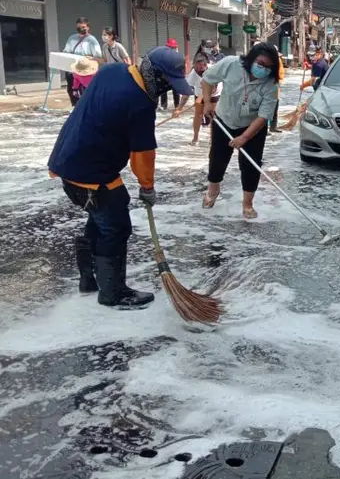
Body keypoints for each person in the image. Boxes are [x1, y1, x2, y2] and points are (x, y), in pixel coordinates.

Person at [47, 47, 194, 309]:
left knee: (100, 220)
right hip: (91, 174)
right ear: (155, 75)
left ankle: (89, 280)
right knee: (116, 227)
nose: (166, 90)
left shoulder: (114, 70)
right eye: (167, 83)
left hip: (67, 160)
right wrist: (147, 186)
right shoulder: (140, 102)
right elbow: (143, 154)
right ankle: (113, 293)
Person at [201, 42, 280, 219]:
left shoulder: (271, 86)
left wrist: (244, 137)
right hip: (224, 119)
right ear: (251, 59)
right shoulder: (230, 64)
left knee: (251, 164)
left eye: (268, 67)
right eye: (260, 63)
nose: (263, 69)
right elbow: (207, 79)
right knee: (217, 158)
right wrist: (207, 102)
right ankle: (213, 191)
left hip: (253, 126)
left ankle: (247, 204)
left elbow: (263, 116)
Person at [177, 54, 222, 145]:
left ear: (206, 65)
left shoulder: (213, 70)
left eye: (202, 67)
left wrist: (202, 97)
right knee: (198, 114)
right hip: (199, 93)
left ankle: (212, 139)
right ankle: (195, 137)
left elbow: (213, 88)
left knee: (212, 115)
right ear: (194, 66)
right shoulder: (193, 74)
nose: (199, 70)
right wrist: (179, 108)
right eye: (197, 68)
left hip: (214, 93)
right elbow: (186, 93)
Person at [63, 17, 102, 106]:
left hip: (86, 71)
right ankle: (76, 108)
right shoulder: (72, 38)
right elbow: (66, 52)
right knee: (72, 90)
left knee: (85, 92)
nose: (81, 29)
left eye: (83, 27)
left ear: (88, 27)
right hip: (72, 70)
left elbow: (98, 56)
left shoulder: (92, 40)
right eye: (79, 26)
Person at [270, 45, 285, 132]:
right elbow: (280, 74)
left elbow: (280, 73)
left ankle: (272, 127)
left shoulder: (276, 60)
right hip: (272, 87)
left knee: (274, 108)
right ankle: (271, 127)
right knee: (270, 109)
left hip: (275, 86)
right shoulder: (274, 61)